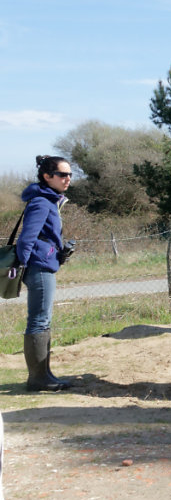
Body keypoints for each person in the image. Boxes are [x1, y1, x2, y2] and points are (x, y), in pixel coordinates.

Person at [17, 155, 74, 391]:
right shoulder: (42, 202)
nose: (67, 179)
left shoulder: (49, 200)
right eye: (62, 174)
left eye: (70, 174)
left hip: (44, 265)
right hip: (39, 268)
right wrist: (26, 264)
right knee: (39, 321)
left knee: (43, 320)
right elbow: (26, 239)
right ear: (47, 176)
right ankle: (38, 379)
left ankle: (44, 374)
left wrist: (57, 251)